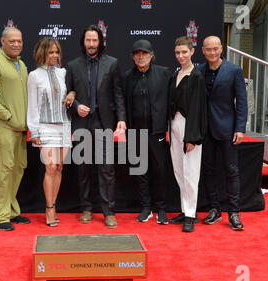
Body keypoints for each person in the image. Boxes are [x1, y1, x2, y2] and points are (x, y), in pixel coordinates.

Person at [65, 25, 126, 228]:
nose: (91, 44)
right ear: (83, 42)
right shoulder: (73, 66)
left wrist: (122, 118)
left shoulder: (112, 63)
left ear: (100, 42)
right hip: (82, 123)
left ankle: (109, 211)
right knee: (83, 169)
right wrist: (75, 105)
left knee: (106, 169)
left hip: (104, 122)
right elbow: (68, 94)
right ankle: (86, 208)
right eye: (88, 40)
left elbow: (118, 94)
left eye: (95, 40)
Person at [0, 26, 30, 231]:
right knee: (4, 169)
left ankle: (10, 211)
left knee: (18, 168)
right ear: (2, 41)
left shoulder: (21, 64)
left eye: (19, 41)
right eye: (12, 41)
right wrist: (8, 115)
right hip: (4, 125)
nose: (16, 44)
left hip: (21, 127)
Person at [197, 36, 248, 231]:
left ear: (221, 49)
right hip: (205, 130)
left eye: (215, 49)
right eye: (208, 49)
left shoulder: (233, 71)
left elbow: (241, 102)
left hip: (228, 129)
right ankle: (214, 209)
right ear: (202, 50)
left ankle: (234, 212)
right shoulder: (198, 71)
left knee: (231, 171)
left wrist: (240, 128)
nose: (212, 52)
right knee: (208, 171)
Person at [124, 39, 171, 224]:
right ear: (133, 57)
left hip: (156, 132)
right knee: (140, 171)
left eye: (144, 53)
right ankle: (146, 207)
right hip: (135, 132)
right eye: (137, 53)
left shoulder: (164, 74)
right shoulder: (127, 76)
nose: (141, 56)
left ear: (152, 55)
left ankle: (161, 208)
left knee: (159, 171)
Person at [27, 37, 73, 227]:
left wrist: (72, 94)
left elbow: (73, 90)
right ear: (42, 53)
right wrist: (34, 130)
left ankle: (54, 204)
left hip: (64, 125)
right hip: (44, 127)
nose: (54, 55)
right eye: (51, 52)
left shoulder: (63, 73)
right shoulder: (34, 75)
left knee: (60, 167)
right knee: (50, 167)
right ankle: (49, 207)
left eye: (57, 52)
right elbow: (32, 105)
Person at [168, 36, 207, 232]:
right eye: (177, 53)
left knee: (191, 171)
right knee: (179, 170)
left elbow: (198, 109)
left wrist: (192, 137)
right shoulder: (176, 73)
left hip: (189, 127)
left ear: (192, 52)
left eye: (184, 52)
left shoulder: (197, 76)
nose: (181, 55)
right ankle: (185, 210)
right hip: (174, 125)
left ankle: (191, 214)